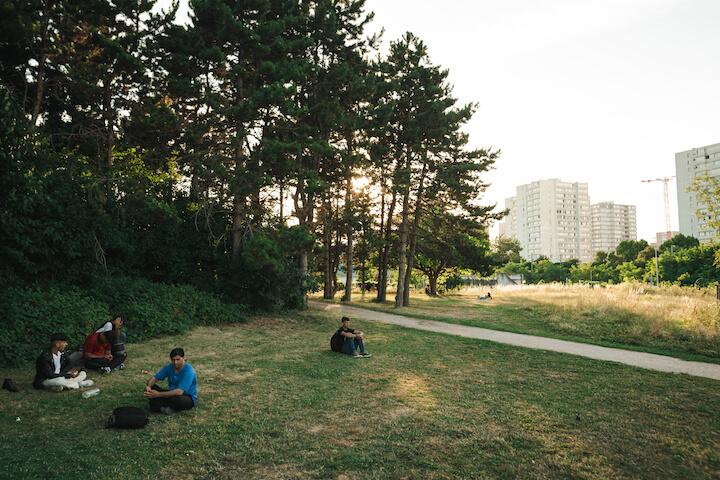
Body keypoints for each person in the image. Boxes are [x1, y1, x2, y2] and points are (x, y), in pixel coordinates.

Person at [144, 347, 197, 414]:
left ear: (183, 358)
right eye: (173, 360)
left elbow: (179, 392)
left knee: (177, 400)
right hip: (172, 393)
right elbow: (155, 378)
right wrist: (149, 386)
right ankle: (164, 407)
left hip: (187, 397)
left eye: (178, 359)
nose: (175, 362)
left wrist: (158, 395)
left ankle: (158, 405)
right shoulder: (169, 367)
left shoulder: (189, 370)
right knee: (149, 389)